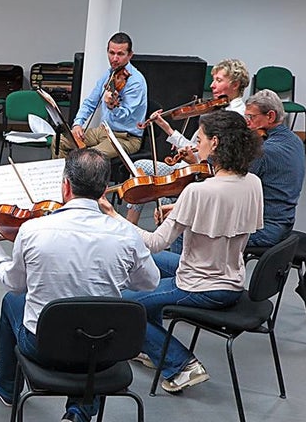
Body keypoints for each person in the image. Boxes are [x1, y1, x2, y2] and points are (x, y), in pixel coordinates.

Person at [0, 148, 159, 422]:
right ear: (104, 189)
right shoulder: (127, 235)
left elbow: (14, 283)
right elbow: (150, 282)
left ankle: (8, 387)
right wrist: (114, 273)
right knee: (94, 326)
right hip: (107, 352)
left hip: (44, 348)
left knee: (12, 302)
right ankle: (78, 413)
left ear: (66, 185)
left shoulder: (33, 230)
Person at [100, 110, 263, 393]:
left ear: (215, 143)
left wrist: (113, 215)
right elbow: (228, 212)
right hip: (230, 276)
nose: (194, 144)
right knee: (147, 265)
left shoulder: (199, 192)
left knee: (119, 306)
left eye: (199, 139)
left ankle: (181, 364)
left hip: (201, 284)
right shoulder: (252, 183)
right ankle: (153, 347)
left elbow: (153, 241)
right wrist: (179, 211)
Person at [124, 59, 250, 224]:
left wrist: (192, 159)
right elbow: (195, 147)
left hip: (202, 174)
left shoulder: (235, 117)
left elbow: (210, 159)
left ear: (236, 84)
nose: (212, 85)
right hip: (189, 168)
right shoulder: (217, 110)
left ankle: (129, 228)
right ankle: (130, 226)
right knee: (140, 172)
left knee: (142, 169)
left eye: (219, 80)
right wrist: (166, 127)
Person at [56, 32, 147, 160]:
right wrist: (78, 124)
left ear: (130, 55)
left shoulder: (136, 82)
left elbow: (126, 114)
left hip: (126, 137)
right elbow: (90, 103)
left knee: (88, 158)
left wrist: (112, 107)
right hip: (103, 131)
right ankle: (62, 178)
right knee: (59, 140)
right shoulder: (109, 74)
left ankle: (78, 180)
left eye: (120, 54)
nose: (115, 58)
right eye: (111, 53)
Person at [245, 89, 305, 246]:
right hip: (285, 224)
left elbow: (237, 186)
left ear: (270, 116)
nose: (247, 122)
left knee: (193, 229)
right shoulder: (295, 140)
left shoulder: (265, 151)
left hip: (263, 231)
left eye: (251, 117)